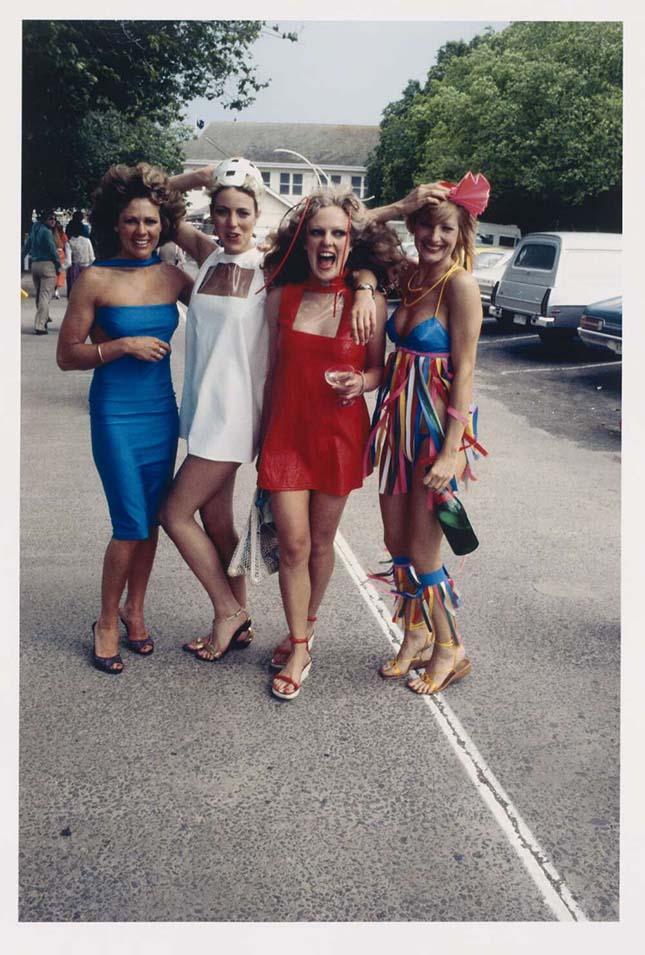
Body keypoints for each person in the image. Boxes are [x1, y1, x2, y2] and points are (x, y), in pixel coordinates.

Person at [256, 188, 400, 701]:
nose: (327, 241)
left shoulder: (371, 301)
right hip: (286, 435)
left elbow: (379, 370)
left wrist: (359, 383)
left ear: (349, 242)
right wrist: (260, 437)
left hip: (339, 435)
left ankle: (305, 627)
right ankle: (299, 644)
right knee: (292, 543)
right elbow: (272, 372)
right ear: (303, 239)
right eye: (317, 231)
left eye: (338, 232)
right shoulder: (283, 296)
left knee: (319, 543)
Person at [56, 163, 192, 674]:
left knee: (152, 519)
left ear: (165, 226)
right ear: (116, 222)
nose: (142, 231)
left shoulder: (174, 276)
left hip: (161, 410)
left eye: (152, 222)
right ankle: (107, 620)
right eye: (133, 221)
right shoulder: (93, 279)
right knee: (129, 521)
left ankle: (137, 609)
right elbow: (68, 355)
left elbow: (232, 303)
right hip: (115, 411)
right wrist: (119, 346)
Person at [365, 172, 490, 695]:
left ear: (462, 231)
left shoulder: (459, 284)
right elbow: (353, 229)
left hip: (435, 431)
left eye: (444, 228)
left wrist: (452, 450)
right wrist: (398, 205)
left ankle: (450, 646)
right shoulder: (412, 276)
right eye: (424, 226)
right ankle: (413, 633)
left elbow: (464, 370)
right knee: (396, 541)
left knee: (424, 550)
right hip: (397, 424)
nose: (432, 238)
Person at [22, 210, 61, 334]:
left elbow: (27, 246)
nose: (53, 221)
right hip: (47, 265)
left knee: (39, 295)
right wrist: (58, 265)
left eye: (55, 219)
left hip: (35, 264)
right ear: (45, 219)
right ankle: (40, 325)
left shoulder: (34, 228)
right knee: (45, 295)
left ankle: (45, 316)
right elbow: (52, 250)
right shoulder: (47, 232)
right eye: (51, 218)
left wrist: (21, 257)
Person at [65, 216, 95, 295]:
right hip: (86, 268)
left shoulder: (69, 243)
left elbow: (68, 262)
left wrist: (60, 268)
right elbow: (92, 258)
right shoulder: (87, 241)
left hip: (74, 270)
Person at [53, 221, 71, 299]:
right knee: (60, 273)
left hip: (54, 255)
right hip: (61, 255)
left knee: (54, 273)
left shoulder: (50, 234)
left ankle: (54, 290)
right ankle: (56, 290)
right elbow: (66, 244)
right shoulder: (63, 235)